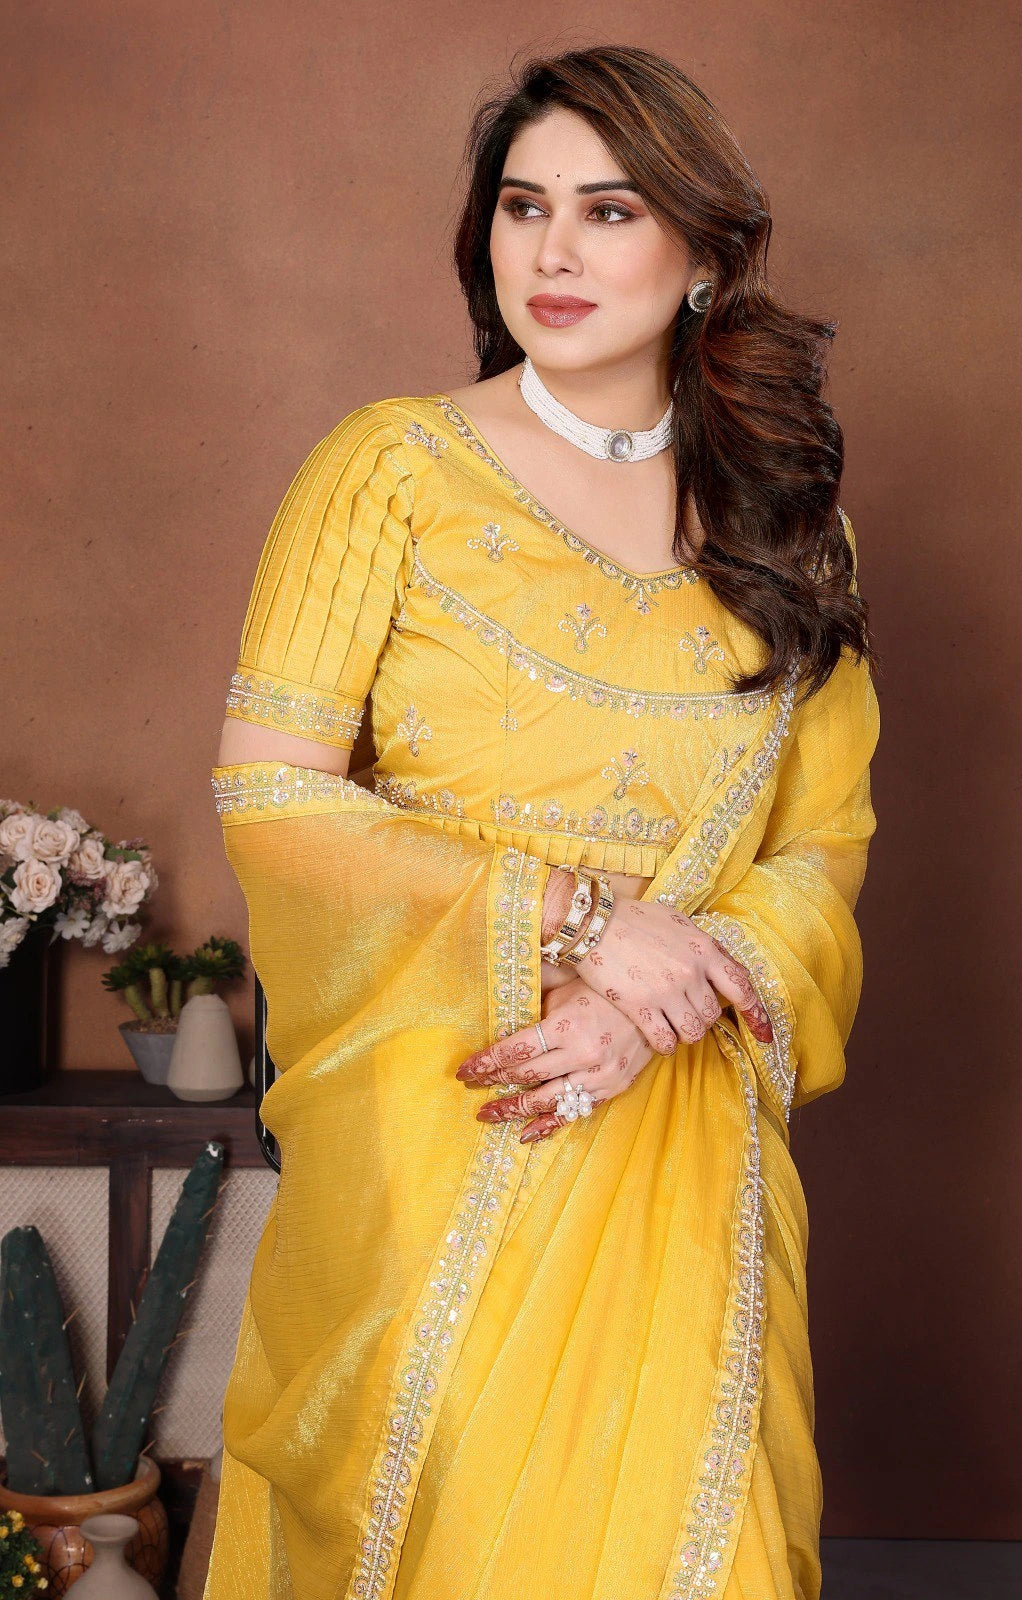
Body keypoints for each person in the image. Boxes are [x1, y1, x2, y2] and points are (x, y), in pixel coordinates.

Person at [203, 43, 880, 1600]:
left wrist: (662, 998)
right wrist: (586, 922)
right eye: (522, 207)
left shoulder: (790, 520)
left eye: (609, 209)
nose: (554, 253)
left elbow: (820, 839)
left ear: (704, 254)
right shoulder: (385, 473)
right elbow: (272, 793)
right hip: (442, 1119)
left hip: (681, 1137)